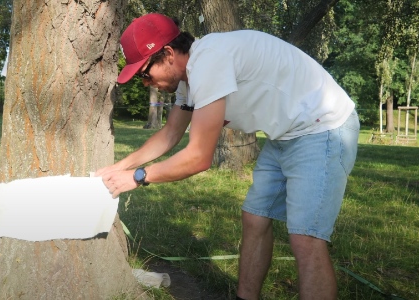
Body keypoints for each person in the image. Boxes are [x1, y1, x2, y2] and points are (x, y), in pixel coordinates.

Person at [95, 13, 360, 300]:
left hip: (323, 127)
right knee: (255, 218)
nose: (146, 83)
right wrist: (117, 168)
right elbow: (170, 135)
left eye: (145, 73)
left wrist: (137, 177)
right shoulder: (189, 79)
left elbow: (198, 157)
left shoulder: (209, 62)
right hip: (285, 134)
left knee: (305, 238)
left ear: (168, 54)